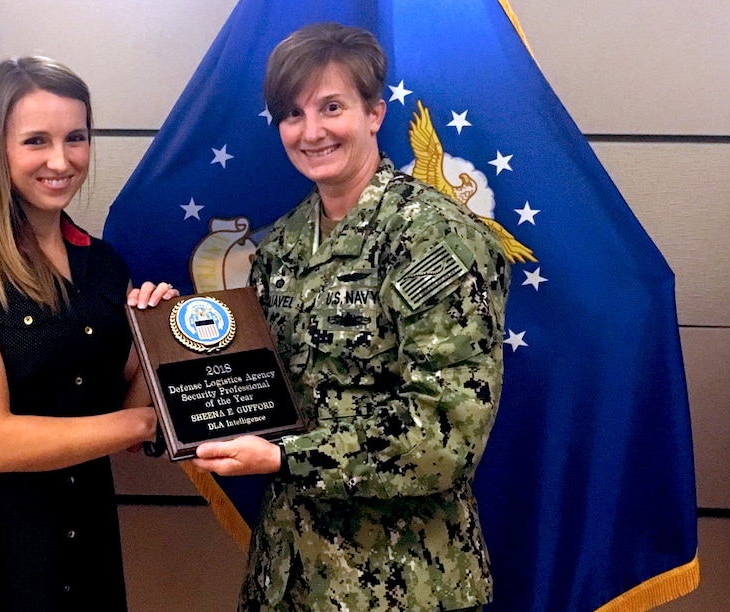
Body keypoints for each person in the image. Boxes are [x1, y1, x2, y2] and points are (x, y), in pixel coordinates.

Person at [191, 23, 510, 611]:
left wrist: (288, 456)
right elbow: (256, 391)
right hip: (287, 576)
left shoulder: (432, 239)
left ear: (374, 114)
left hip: (402, 582)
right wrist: (165, 345)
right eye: (292, 114)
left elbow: (445, 435)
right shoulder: (283, 246)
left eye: (331, 107)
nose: (310, 131)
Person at [0, 56, 174, 611]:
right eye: (35, 141)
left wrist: (156, 340)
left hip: (85, 530)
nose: (60, 160)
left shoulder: (104, 266)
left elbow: (113, 402)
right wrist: (144, 424)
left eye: (76, 138)